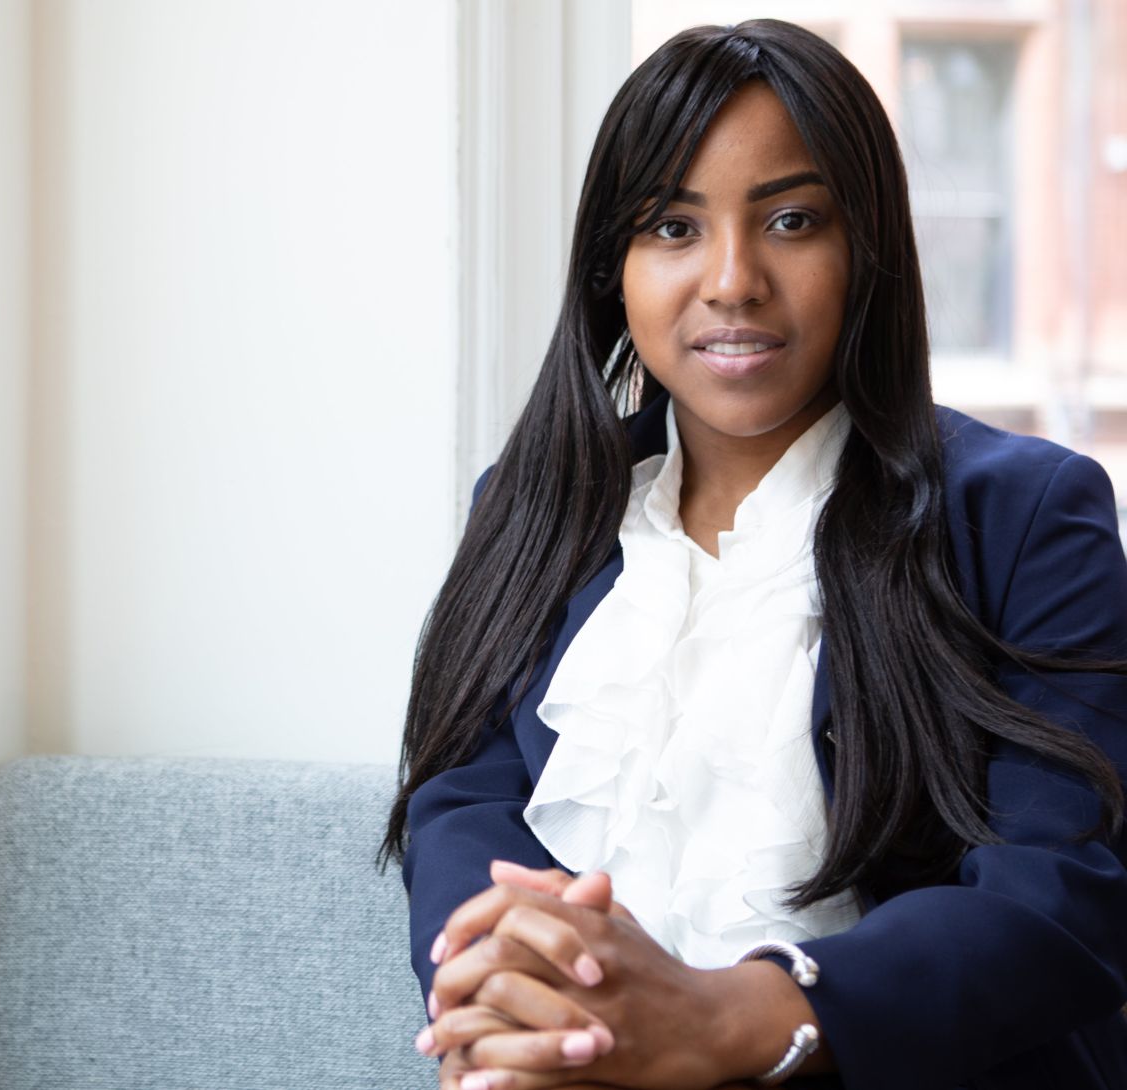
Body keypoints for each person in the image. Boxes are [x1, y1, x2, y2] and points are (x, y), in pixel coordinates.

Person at [377, 18, 1127, 1090]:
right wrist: (518, 999)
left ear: (865, 246)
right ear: (613, 269)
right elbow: (463, 802)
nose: (732, 279)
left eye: (789, 219)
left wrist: (728, 1015)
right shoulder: (538, 509)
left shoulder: (1026, 516)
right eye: (673, 228)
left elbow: (1057, 903)